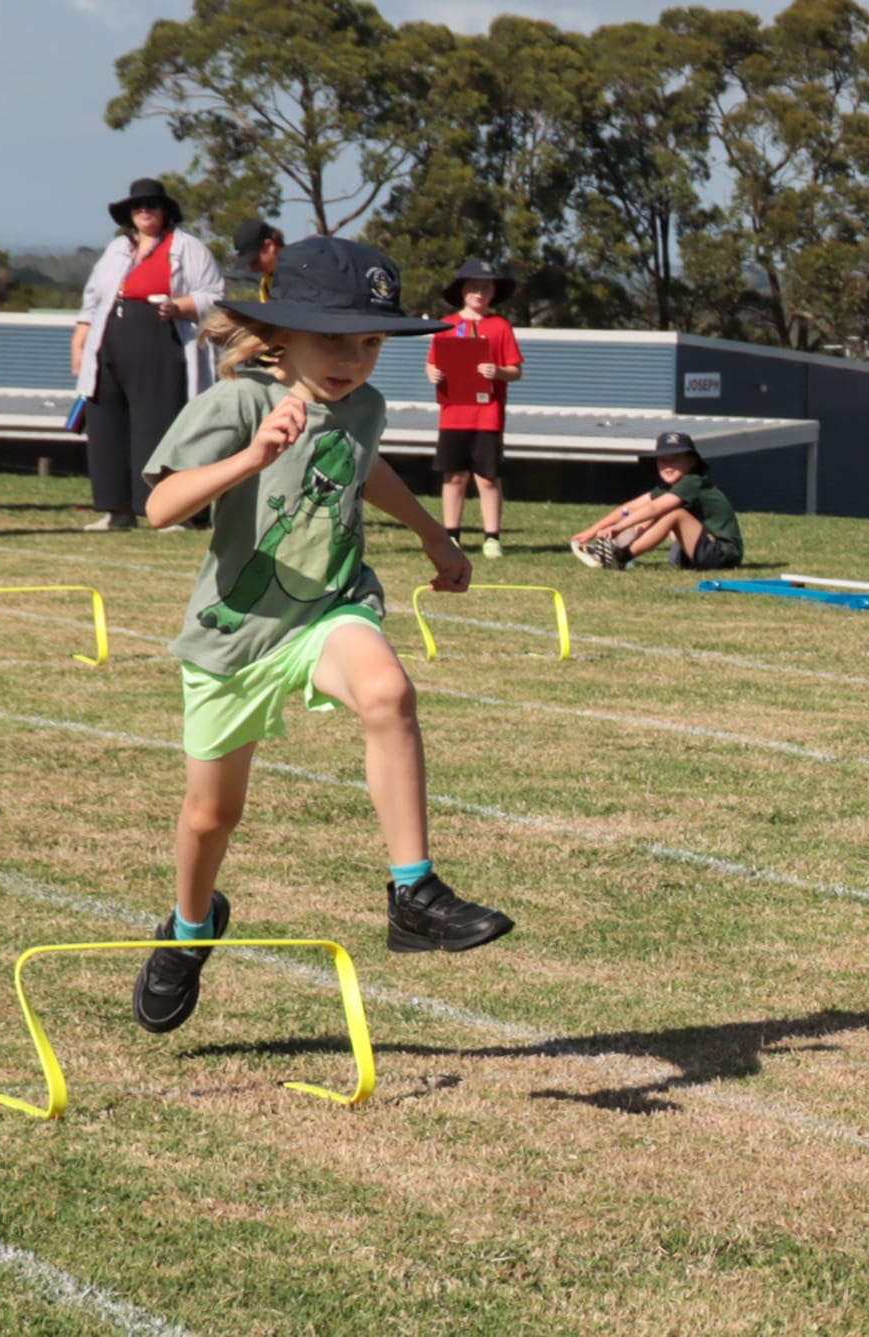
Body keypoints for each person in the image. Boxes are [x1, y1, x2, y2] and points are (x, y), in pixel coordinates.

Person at [129, 235, 515, 1037]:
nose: (352, 359)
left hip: (329, 608)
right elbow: (161, 509)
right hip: (235, 636)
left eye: (370, 343)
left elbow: (363, 460)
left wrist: (430, 534)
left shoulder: (364, 406)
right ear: (282, 335)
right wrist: (253, 454)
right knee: (211, 816)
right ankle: (190, 929)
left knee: (388, 690)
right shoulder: (236, 403)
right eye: (335, 340)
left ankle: (414, 891)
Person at [72, 178, 225, 531]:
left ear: (165, 212)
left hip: (161, 344)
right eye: (138, 207)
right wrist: (80, 341)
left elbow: (214, 295)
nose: (145, 213)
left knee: (156, 428)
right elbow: (93, 299)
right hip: (110, 344)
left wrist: (181, 305)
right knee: (108, 427)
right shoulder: (116, 250)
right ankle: (117, 509)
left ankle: (173, 510)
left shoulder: (187, 247)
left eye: (151, 206)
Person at [426, 258, 524, 559]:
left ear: (493, 293)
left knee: (487, 477)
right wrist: (432, 373)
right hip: (453, 414)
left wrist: (499, 372)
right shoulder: (447, 325)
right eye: (472, 286)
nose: (479, 292)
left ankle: (491, 537)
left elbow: (516, 370)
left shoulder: (500, 326)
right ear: (461, 291)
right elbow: (432, 363)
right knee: (453, 476)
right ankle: (451, 535)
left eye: (485, 287)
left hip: (488, 415)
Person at [571, 431, 744, 571]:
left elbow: (656, 508)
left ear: (691, 462)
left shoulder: (692, 482)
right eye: (662, 460)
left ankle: (622, 557)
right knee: (642, 514)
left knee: (673, 513)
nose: (668, 465)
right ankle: (611, 551)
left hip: (723, 554)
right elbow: (629, 508)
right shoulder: (668, 488)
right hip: (693, 552)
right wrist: (593, 531)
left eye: (675, 459)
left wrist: (618, 527)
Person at [232, 219, 285, 298]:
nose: (252, 269)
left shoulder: (301, 271)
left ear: (270, 246)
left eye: (255, 261)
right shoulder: (266, 284)